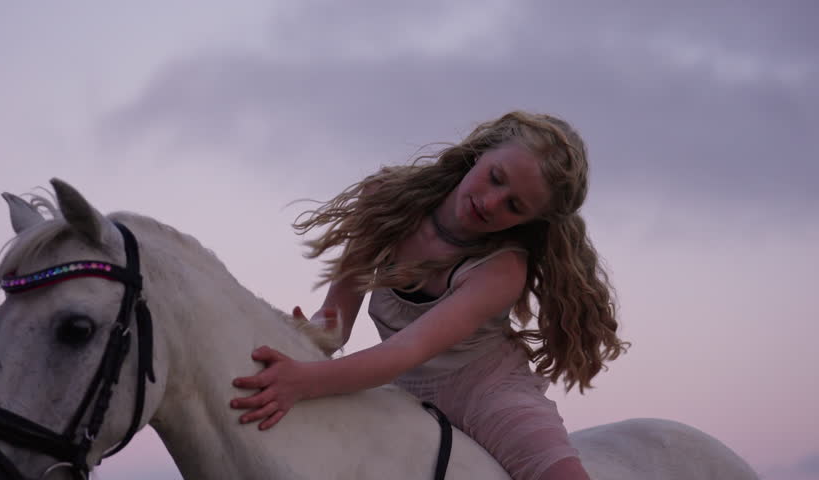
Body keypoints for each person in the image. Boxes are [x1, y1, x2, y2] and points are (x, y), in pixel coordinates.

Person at [229, 111, 629, 479]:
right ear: (479, 154)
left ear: (529, 221)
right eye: (495, 177)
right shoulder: (385, 201)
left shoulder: (501, 268)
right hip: (402, 391)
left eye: (514, 205)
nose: (491, 203)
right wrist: (313, 335)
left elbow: (402, 352)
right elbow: (337, 316)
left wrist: (306, 381)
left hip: (489, 397)